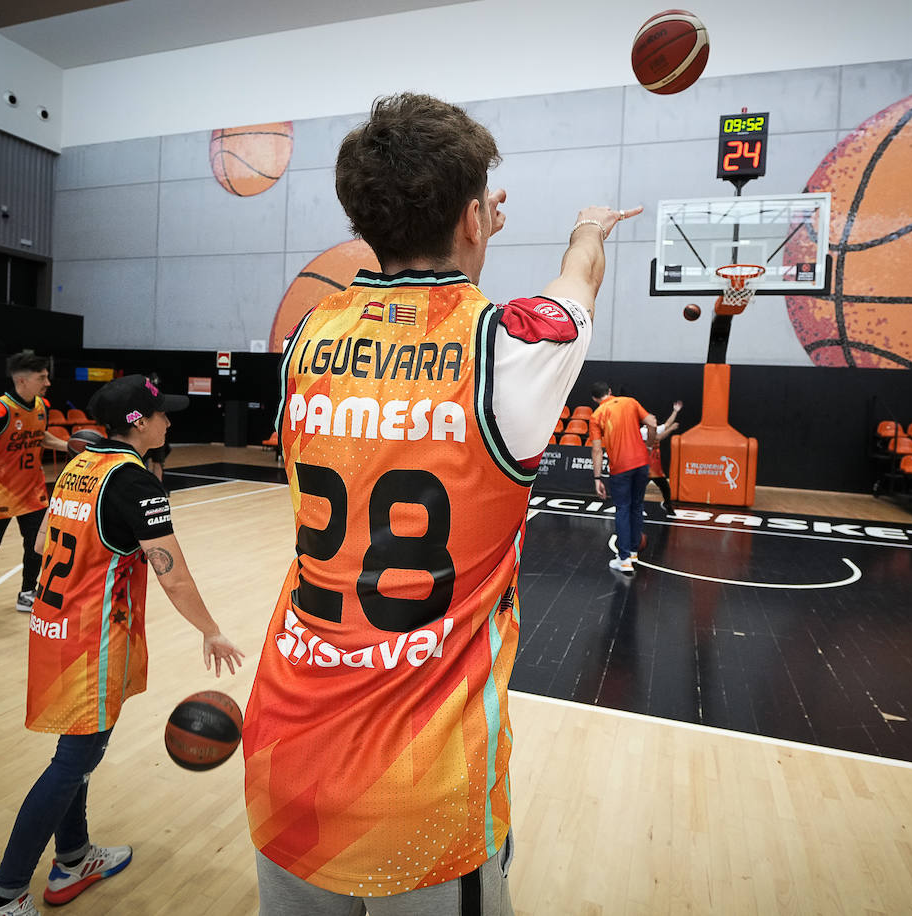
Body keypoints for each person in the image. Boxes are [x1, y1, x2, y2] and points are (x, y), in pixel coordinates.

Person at [243, 92, 641, 915]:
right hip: (421, 790)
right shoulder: (515, 348)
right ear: (474, 218)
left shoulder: (306, 339)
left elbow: (405, 313)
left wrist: (458, 232)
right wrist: (589, 230)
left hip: (283, 749)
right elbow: (577, 282)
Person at [0, 374, 246, 916]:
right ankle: (3, 896)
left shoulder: (83, 463)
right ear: (140, 423)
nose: (169, 420)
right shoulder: (133, 481)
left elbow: (46, 539)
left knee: (79, 756)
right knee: (73, 763)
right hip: (91, 639)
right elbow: (174, 575)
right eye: (162, 413)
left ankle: (73, 857)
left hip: (55, 625)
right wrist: (210, 630)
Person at [0, 351, 70, 620]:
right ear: (22, 381)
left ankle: (27, 593)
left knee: (37, 544)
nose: (47, 383)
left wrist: (69, 445)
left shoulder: (42, 406)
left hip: (33, 490)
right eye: (42, 378)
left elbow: (38, 435)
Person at [589, 383, 658, 574]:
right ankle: (633, 552)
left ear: (595, 399)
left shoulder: (596, 416)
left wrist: (597, 478)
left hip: (620, 467)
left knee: (622, 509)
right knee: (637, 506)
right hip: (642, 463)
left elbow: (596, 449)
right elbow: (652, 422)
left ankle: (624, 558)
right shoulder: (630, 402)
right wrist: (650, 446)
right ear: (609, 392)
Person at [645, 400, 683, 515]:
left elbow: (666, 424)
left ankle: (667, 504)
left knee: (665, 487)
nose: (655, 420)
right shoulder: (642, 431)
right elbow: (658, 438)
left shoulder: (654, 429)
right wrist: (671, 429)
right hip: (644, 467)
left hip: (655, 468)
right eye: (653, 419)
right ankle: (634, 508)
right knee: (638, 490)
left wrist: (675, 411)